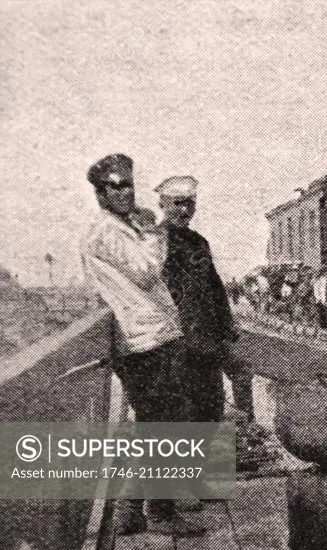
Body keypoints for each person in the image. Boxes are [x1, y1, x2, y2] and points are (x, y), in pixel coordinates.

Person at [79, 155, 204, 537]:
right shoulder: (106, 233)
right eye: (116, 186)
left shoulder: (122, 227)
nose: (126, 192)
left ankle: (130, 511)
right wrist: (154, 231)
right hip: (143, 340)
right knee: (162, 427)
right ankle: (161, 514)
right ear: (100, 194)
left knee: (151, 425)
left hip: (153, 335)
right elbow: (147, 273)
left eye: (129, 184)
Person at [156, 176, 253, 511]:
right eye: (177, 204)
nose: (185, 210)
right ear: (163, 205)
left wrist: (227, 332)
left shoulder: (199, 243)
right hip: (175, 340)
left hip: (207, 340)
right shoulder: (152, 243)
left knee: (210, 408)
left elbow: (214, 290)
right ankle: (172, 494)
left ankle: (205, 481)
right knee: (176, 415)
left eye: (190, 203)